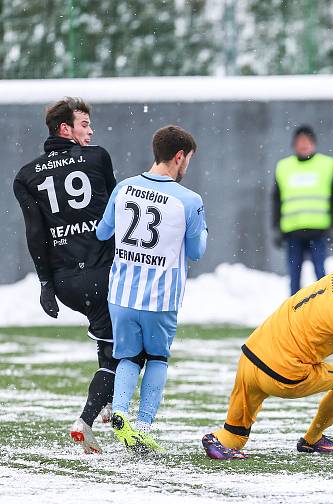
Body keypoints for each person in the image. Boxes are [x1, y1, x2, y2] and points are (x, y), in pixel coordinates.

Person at [201, 246, 333, 460]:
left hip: (250, 358)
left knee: (234, 437)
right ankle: (312, 439)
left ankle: (215, 440)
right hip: (280, 374)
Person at [13, 97, 118, 454]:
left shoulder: (26, 175)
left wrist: (45, 283)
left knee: (107, 336)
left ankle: (106, 403)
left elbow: (35, 234)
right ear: (65, 129)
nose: (90, 131)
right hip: (105, 273)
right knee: (127, 350)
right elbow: (115, 213)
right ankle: (88, 419)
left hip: (67, 283)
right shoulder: (97, 157)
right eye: (84, 124)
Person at [96, 125, 207, 454]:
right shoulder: (190, 200)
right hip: (160, 298)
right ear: (179, 157)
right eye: (188, 160)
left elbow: (103, 233)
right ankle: (142, 425)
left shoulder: (124, 188)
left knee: (128, 357)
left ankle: (119, 412)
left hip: (122, 294)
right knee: (157, 357)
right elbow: (197, 251)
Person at [272, 125, 333, 295]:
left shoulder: (327, 164)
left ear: (314, 144)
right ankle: (294, 314)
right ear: (294, 145)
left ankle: (324, 310)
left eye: (307, 141)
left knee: (321, 275)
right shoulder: (284, 166)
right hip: (292, 231)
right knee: (294, 277)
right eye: (300, 142)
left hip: (319, 231)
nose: (304, 145)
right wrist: (276, 227)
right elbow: (276, 199)